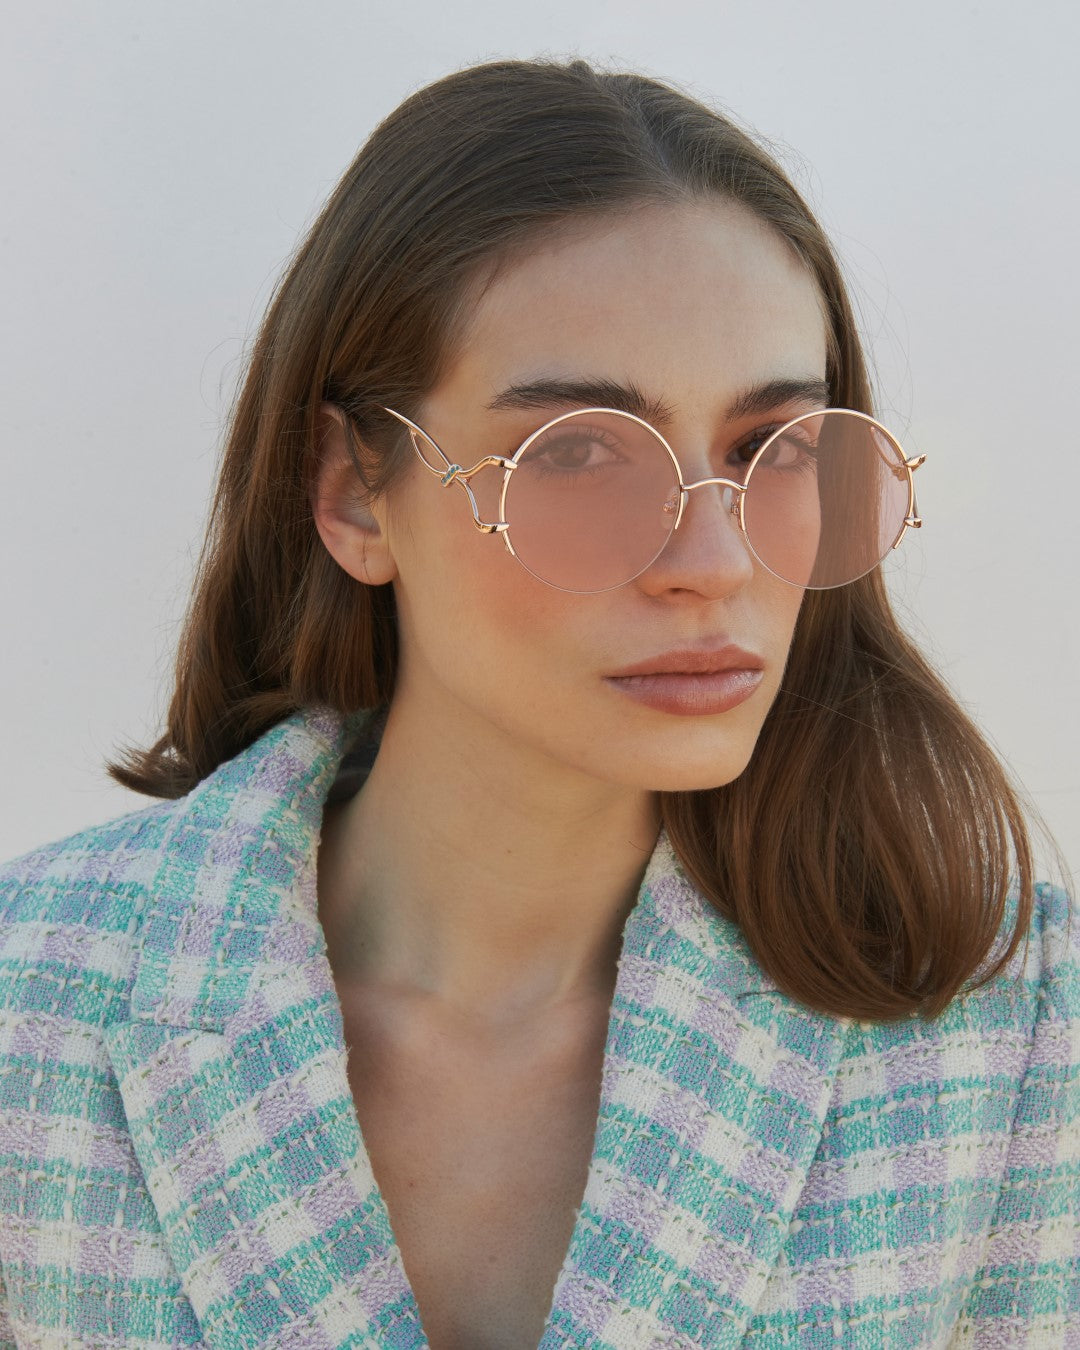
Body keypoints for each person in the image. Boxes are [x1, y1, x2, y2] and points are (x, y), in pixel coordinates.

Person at [0, 57, 1075, 1350]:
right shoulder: (36, 1002)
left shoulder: (1010, 1018)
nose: (715, 561)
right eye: (576, 452)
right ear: (351, 491)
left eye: (771, 448)